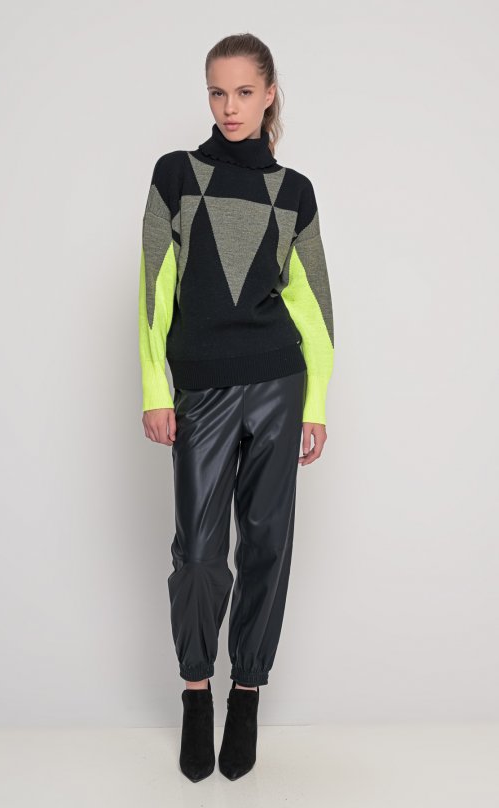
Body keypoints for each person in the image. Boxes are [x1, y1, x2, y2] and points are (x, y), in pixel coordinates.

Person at [138, 33, 334, 782]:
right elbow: (154, 288)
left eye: (244, 92)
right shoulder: (175, 176)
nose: (230, 107)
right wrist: (156, 390)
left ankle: (246, 693)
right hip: (202, 388)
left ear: (269, 94)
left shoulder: (295, 192)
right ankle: (197, 693)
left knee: (267, 544)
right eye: (218, 92)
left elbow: (313, 307)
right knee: (196, 553)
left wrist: (316, 404)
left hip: (280, 383)